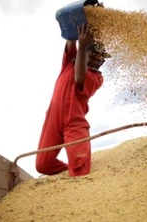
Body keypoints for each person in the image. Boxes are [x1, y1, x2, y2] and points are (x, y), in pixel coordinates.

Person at [35, 24, 110, 177]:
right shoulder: (70, 62)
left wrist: (82, 47)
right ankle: (68, 172)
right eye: (93, 55)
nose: (97, 60)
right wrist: (75, 22)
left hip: (74, 122)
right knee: (43, 165)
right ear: (84, 53)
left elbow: (79, 78)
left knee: (80, 170)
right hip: (53, 119)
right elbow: (70, 39)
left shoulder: (97, 78)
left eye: (100, 59)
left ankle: (76, 176)